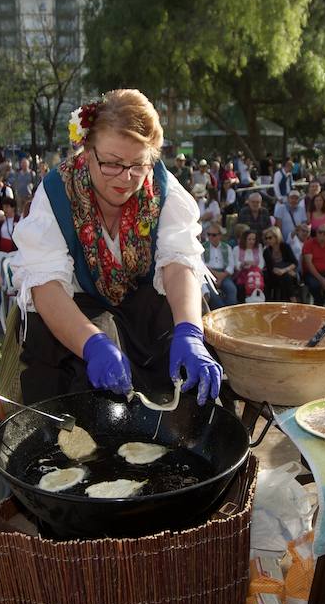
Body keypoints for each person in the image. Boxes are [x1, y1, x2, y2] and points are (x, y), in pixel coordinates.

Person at [11, 90, 221, 404]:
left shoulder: (164, 190)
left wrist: (189, 332)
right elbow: (47, 286)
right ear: (86, 149)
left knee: (189, 321)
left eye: (139, 164)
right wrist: (92, 344)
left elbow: (178, 263)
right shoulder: (56, 193)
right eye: (111, 163)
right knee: (69, 378)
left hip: (143, 308)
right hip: (76, 309)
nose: (125, 178)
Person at [261, 226, 302, 303]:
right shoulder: (266, 251)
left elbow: (294, 262)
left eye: (270, 238)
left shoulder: (285, 247)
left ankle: (288, 299)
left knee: (285, 277)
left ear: (276, 237)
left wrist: (285, 270)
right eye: (266, 238)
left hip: (285, 273)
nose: (268, 240)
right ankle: (293, 299)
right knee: (286, 276)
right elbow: (271, 268)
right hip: (272, 276)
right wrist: (286, 271)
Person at [201, 224, 238, 309]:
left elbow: (231, 265)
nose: (210, 237)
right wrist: (215, 275)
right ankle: (221, 311)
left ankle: (231, 311)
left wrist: (221, 277)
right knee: (212, 293)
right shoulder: (203, 247)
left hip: (224, 274)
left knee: (231, 289)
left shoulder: (227, 247)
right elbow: (202, 265)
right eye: (209, 234)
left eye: (213, 235)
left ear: (220, 235)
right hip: (208, 274)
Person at [233, 229, 266, 301]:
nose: (252, 241)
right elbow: (235, 264)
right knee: (241, 286)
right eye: (249, 239)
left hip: (256, 274)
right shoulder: (237, 249)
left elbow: (261, 264)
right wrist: (243, 264)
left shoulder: (259, 247)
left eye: (253, 239)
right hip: (242, 274)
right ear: (244, 239)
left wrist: (253, 265)